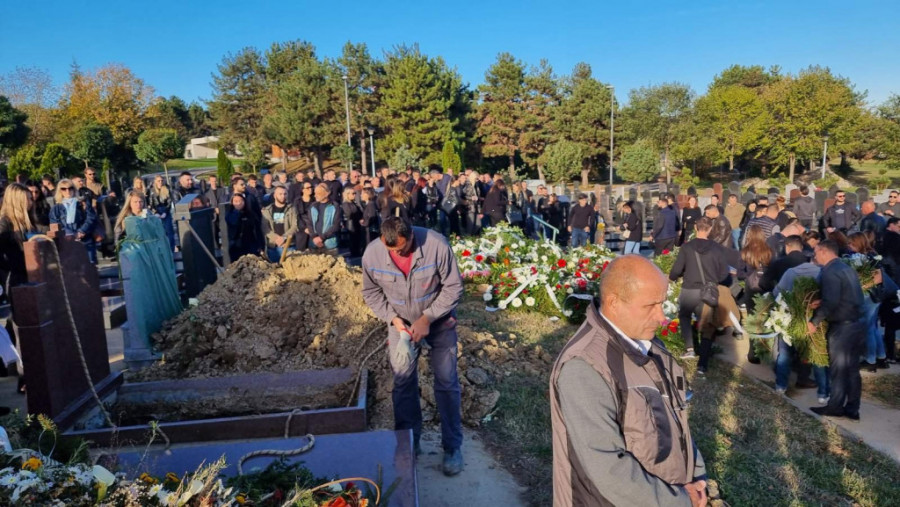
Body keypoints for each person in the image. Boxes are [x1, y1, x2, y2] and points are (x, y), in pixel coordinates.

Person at [550, 255, 707, 506]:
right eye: (650, 306)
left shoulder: (650, 347)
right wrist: (678, 500)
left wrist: (697, 475)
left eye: (662, 304)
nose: (661, 317)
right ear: (614, 303)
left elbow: (676, 421)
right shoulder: (584, 367)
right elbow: (608, 470)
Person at [360, 216, 465, 476]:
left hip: (439, 322)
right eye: (391, 249)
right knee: (403, 382)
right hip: (402, 326)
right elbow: (371, 292)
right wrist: (393, 319)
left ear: (411, 236)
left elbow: (453, 288)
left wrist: (427, 318)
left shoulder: (436, 245)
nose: (397, 253)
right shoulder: (372, 254)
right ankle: (408, 443)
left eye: (402, 248)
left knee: (446, 382)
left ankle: (452, 447)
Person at [808, 240, 866, 420]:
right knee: (852, 369)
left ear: (824, 252)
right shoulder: (846, 268)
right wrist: (822, 301)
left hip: (842, 327)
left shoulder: (829, 271)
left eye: (816, 253)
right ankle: (853, 408)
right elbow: (846, 294)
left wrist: (814, 321)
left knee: (838, 369)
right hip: (856, 323)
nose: (815, 257)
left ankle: (835, 407)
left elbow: (831, 302)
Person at [669, 217, 731, 371]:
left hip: (689, 289)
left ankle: (690, 348)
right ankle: (703, 364)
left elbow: (676, 270)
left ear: (696, 228)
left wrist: (673, 277)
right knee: (708, 324)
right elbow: (725, 274)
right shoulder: (717, 249)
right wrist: (715, 280)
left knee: (684, 316)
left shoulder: (687, 247)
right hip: (709, 291)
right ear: (710, 229)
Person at [0, 183, 41, 402]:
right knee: (23, 330)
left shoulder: (26, 222)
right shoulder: (4, 225)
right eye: (27, 198)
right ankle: (25, 377)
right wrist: (11, 269)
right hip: (15, 281)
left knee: (30, 327)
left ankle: (32, 373)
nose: (31, 201)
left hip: (29, 277)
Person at [49, 179, 98, 263]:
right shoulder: (56, 208)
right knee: (72, 267)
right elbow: (55, 224)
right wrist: (69, 234)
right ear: (60, 191)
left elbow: (91, 217)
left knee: (90, 265)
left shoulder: (82, 202)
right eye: (64, 189)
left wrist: (82, 231)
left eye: (70, 188)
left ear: (74, 189)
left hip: (85, 239)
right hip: (66, 241)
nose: (67, 191)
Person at [261, 185, 298, 262]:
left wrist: (283, 238)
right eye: (280, 194)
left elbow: (295, 226)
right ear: (275, 195)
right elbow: (265, 227)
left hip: (289, 246)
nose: (283, 196)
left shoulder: (292, 209)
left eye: (285, 194)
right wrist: (276, 238)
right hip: (273, 247)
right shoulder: (267, 210)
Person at [225, 194, 264, 261]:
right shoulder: (229, 214)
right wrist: (237, 211)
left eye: (241, 201)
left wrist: (260, 245)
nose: (238, 203)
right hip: (236, 246)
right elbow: (233, 222)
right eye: (236, 201)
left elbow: (257, 230)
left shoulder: (251, 214)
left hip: (251, 245)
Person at [307, 183, 342, 253]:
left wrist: (321, 238)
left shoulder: (335, 206)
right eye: (315, 193)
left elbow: (336, 225)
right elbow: (309, 223)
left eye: (318, 193)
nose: (315, 195)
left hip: (329, 244)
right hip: (314, 243)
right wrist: (314, 237)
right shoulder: (313, 206)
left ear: (326, 193)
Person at [148, 175, 175, 250]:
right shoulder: (152, 191)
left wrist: (165, 212)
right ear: (155, 182)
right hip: (156, 211)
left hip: (165, 211)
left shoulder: (167, 189)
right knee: (158, 232)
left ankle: (171, 249)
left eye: (161, 181)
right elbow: (151, 203)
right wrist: (155, 212)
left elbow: (169, 202)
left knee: (169, 231)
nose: (160, 182)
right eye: (158, 181)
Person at [341, 186, 364, 257]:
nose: (354, 195)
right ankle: (354, 253)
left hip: (356, 223)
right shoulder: (345, 204)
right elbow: (349, 214)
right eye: (352, 193)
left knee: (357, 239)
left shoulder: (353, 203)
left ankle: (357, 252)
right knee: (353, 239)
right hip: (351, 224)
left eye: (355, 193)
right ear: (347, 194)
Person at [294, 181, 315, 252]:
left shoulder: (315, 200)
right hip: (301, 228)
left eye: (311, 187)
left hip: (313, 228)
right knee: (301, 251)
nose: (310, 189)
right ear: (303, 190)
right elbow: (297, 215)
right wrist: (304, 228)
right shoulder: (298, 201)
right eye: (308, 188)